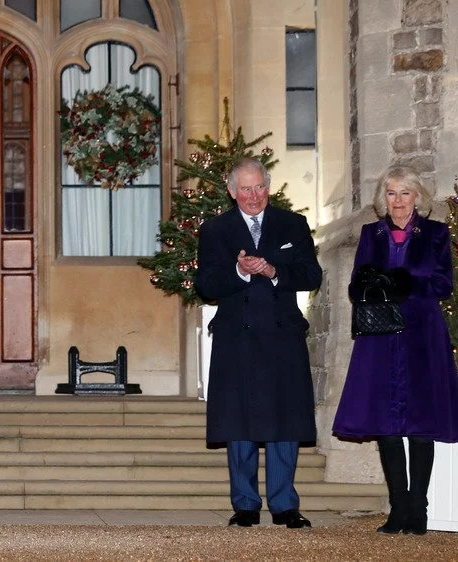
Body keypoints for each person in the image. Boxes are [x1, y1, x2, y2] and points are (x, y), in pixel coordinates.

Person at [194, 157, 322, 529]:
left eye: (260, 187)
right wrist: (239, 271)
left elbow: (311, 275)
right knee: (238, 421)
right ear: (232, 192)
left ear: (268, 186)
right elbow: (207, 284)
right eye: (246, 189)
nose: (254, 196)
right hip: (237, 337)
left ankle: (285, 504)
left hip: (283, 335)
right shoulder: (216, 230)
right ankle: (245, 504)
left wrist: (272, 270)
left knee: (286, 420)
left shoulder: (292, 224)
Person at [333, 165, 458, 535]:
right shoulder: (371, 234)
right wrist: (373, 283)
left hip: (422, 333)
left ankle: (418, 507)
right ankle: (399, 505)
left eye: (406, 193)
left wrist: (404, 281)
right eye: (391, 193)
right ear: (382, 199)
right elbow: (356, 287)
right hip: (380, 335)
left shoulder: (435, 233)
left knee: (421, 423)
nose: (399, 201)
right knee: (386, 424)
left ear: (417, 196)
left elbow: (443, 284)